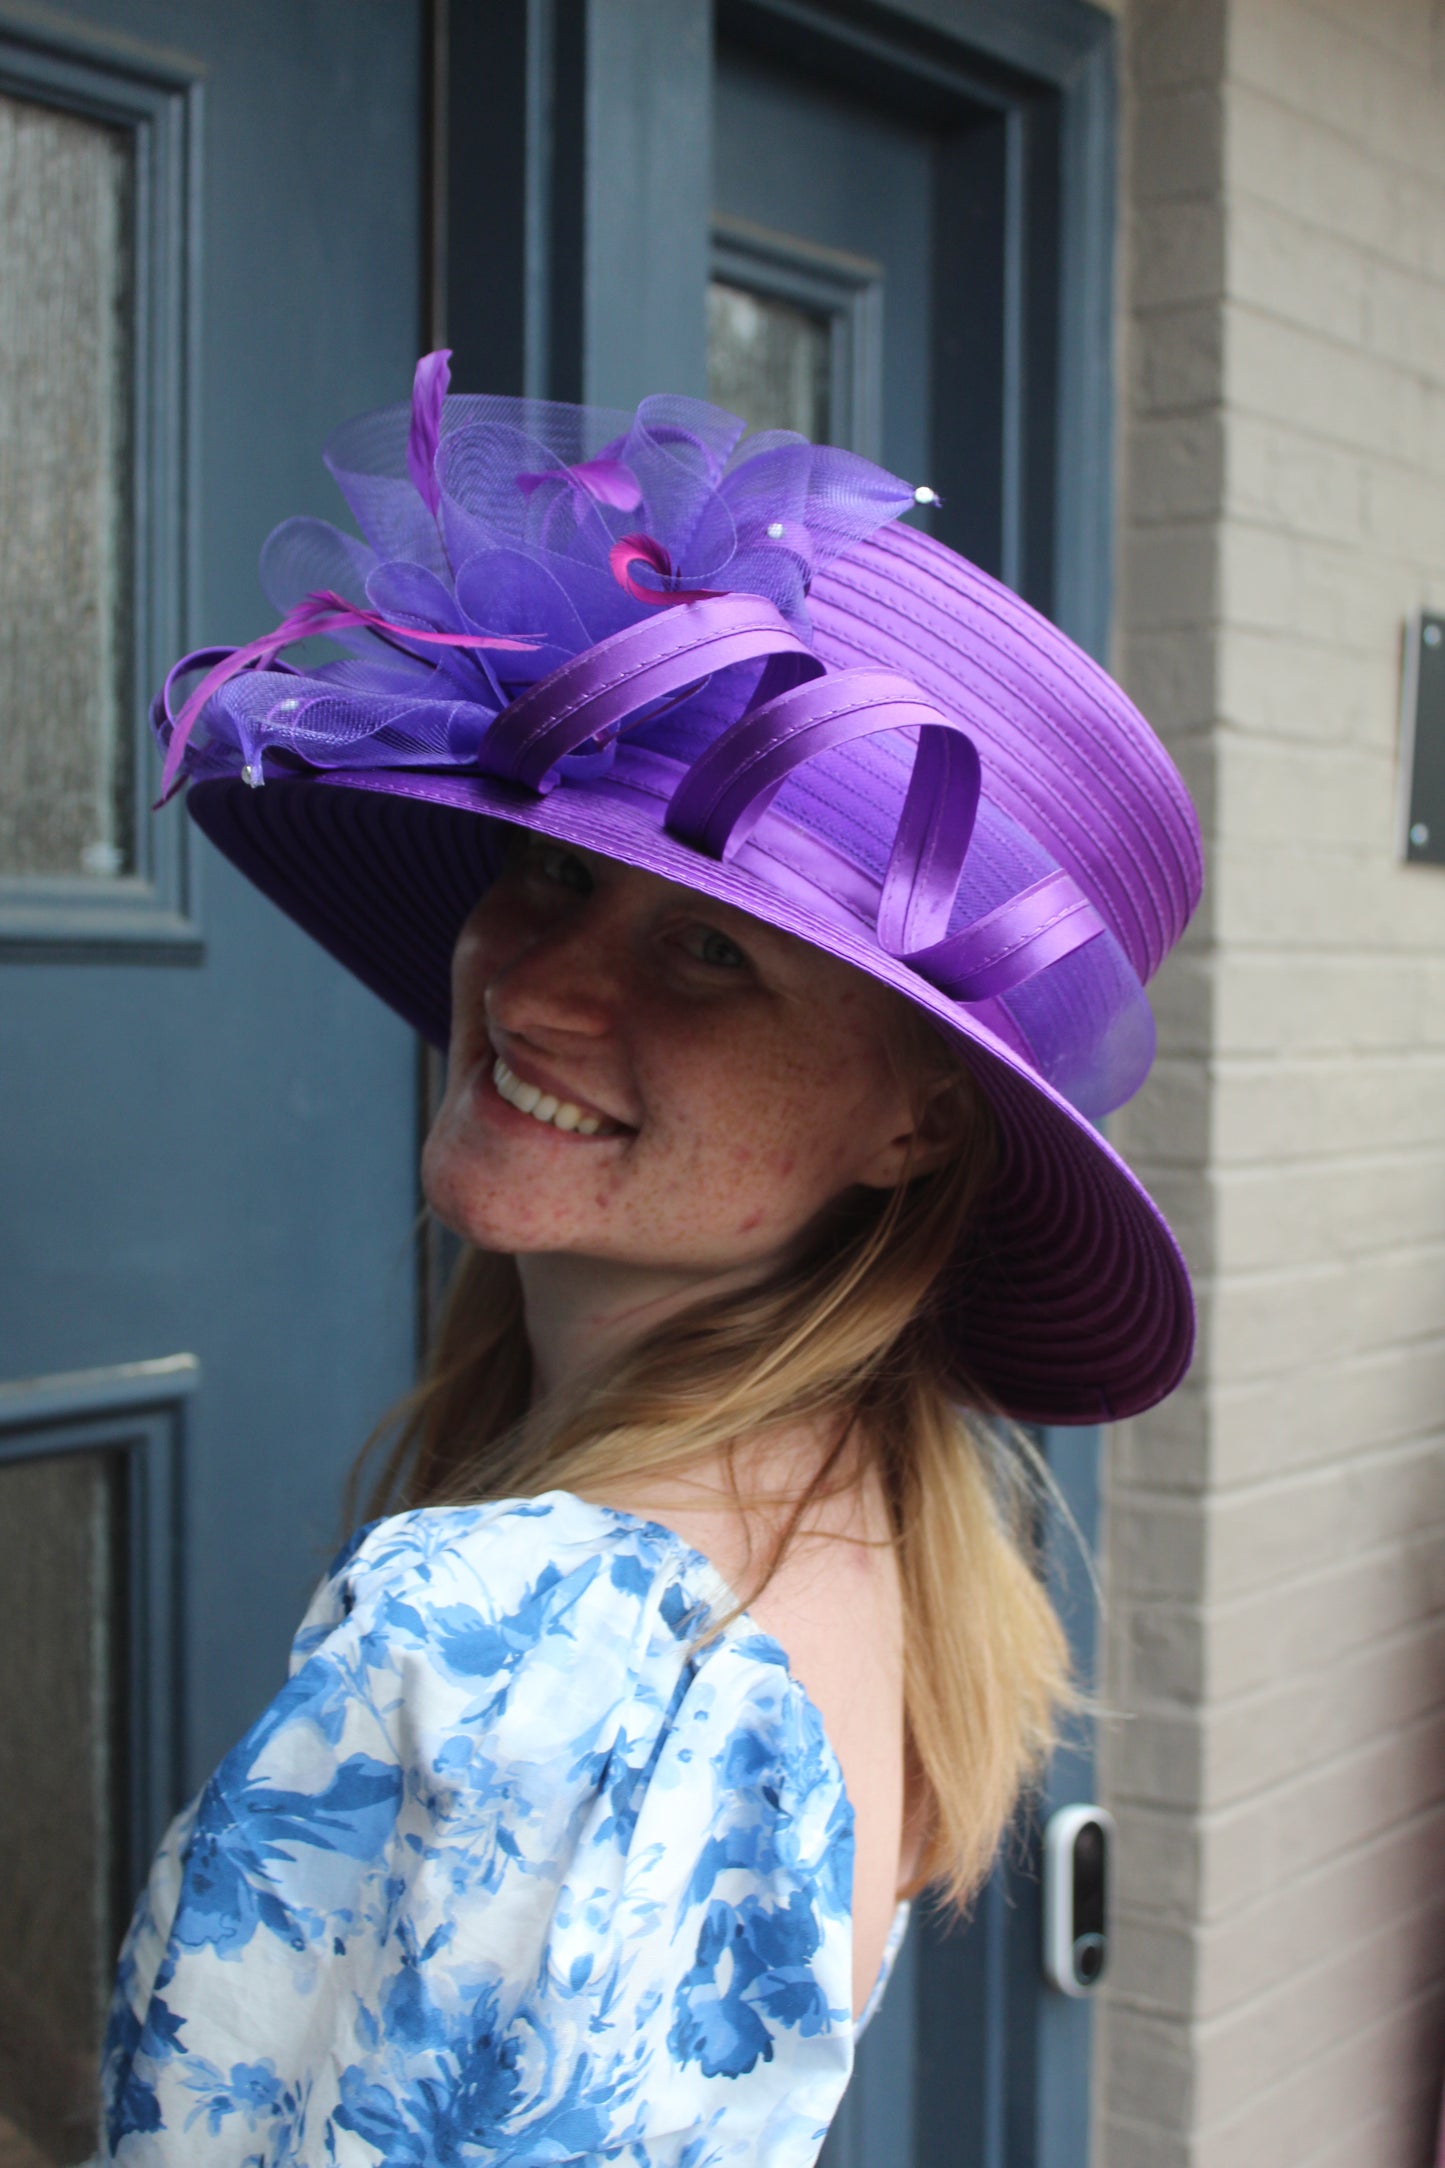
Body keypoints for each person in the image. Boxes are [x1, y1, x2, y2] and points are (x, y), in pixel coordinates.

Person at [97, 354, 1202, 2165]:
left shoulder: (544, 1640)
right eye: (544, 874)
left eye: (712, 958)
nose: (531, 988)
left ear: (916, 1121)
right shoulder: (859, 1509)